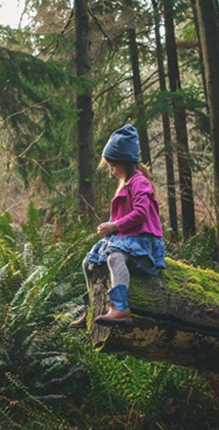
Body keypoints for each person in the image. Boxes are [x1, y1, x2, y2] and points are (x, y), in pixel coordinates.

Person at [70, 124, 166, 327]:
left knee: (115, 257)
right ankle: (91, 309)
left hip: (142, 240)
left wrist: (114, 226)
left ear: (125, 162)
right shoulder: (126, 183)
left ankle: (120, 307)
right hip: (127, 238)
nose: (112, 171)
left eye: (114, 166)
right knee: (88, 262)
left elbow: (140, 214)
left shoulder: (140, 182)